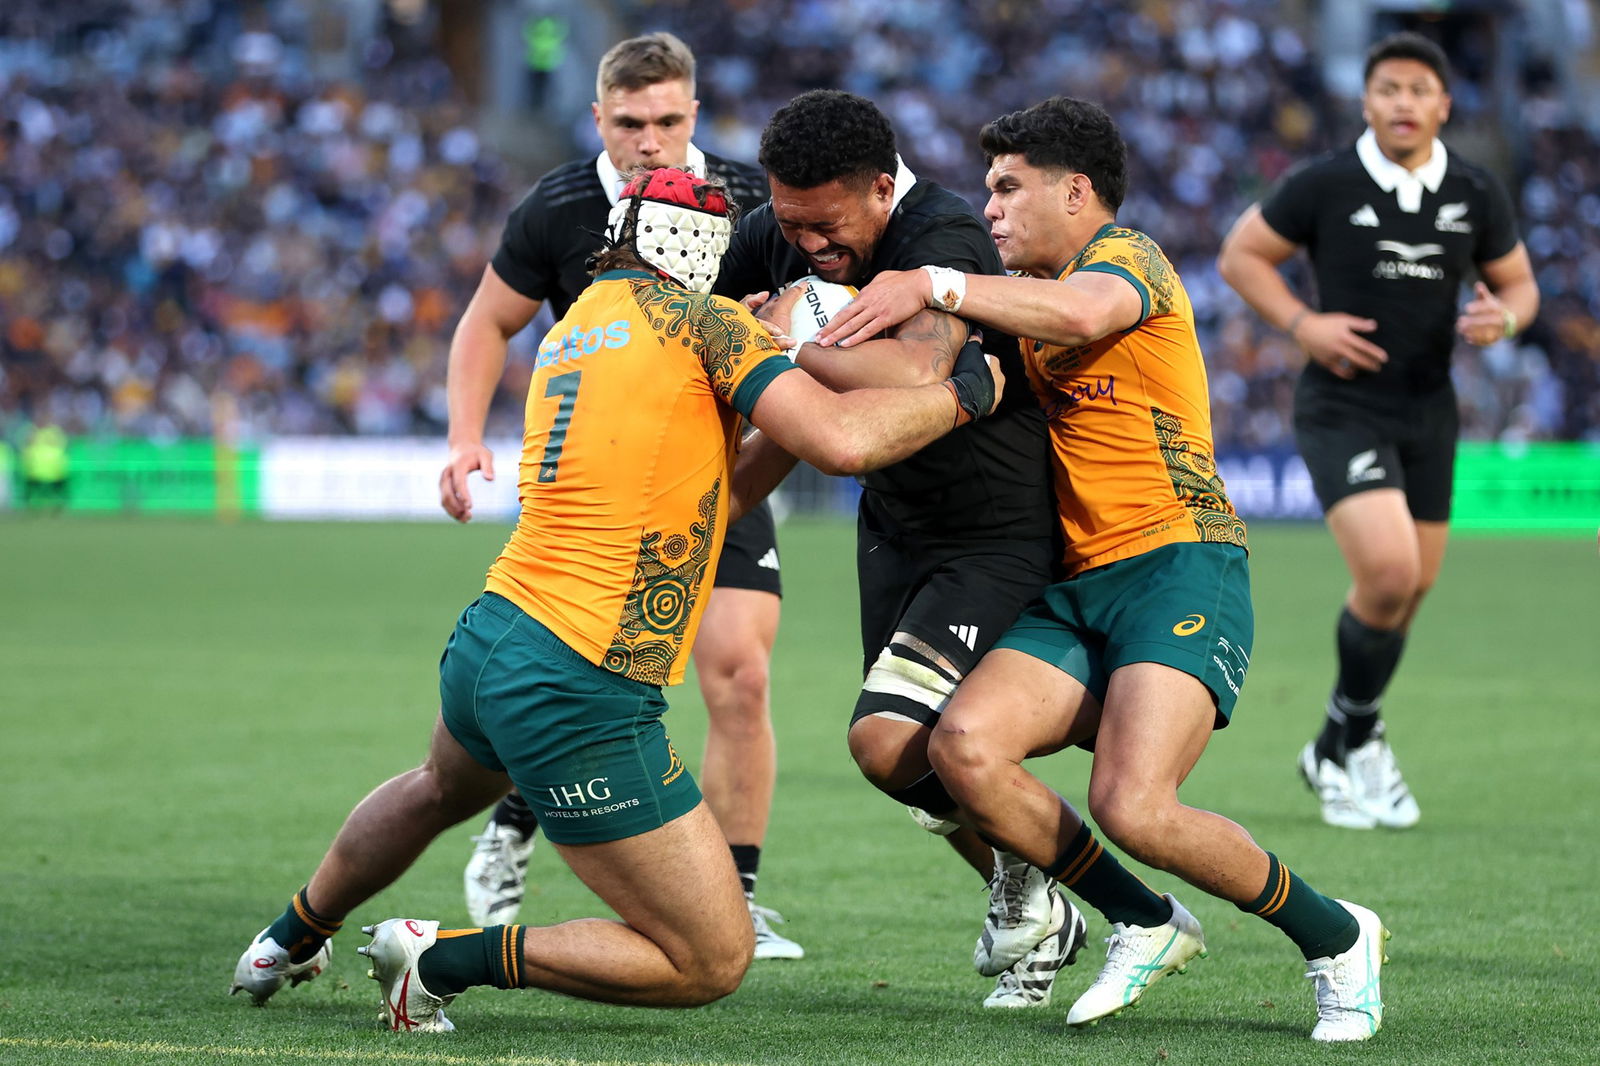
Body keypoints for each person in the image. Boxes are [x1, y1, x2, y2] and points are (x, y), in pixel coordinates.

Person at [229, 166, 1004, 1031]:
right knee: (711, 958)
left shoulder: (581, 322)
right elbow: (847, 444)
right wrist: (963, 394)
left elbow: (723, 496)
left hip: (495, 633)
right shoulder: (702, 322)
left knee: (435, 788)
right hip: (582, 675)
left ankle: (288, 934)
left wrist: (783, 397)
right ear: (704, 251)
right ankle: (437, 960)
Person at [822, 95, 1390, 1042]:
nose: (990, 208)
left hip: (1180, 562)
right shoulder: (1023, 312)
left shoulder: (1127, 259)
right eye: (988, 191)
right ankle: (1144, 918)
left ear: (1076, 191)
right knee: (961, 748)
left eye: (1009, 187)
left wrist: (934, 281)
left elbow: (1085, 310)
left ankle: (1337, 938)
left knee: (1134, 804)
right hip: (1078, 584)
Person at [438, 32, 802, 959]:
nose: (652, 140)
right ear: (599, 119)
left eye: (671, 120)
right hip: (602, 497)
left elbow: (796, 306)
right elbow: (489, 319)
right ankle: (513, 821)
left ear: (695, 114)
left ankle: (737, 893)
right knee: (601, 677)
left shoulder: (742, 201)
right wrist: (464, 435)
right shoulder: (560, 205)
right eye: (632, 123)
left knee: (741, 674)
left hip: (713, 474)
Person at [717, 89, 1080, 1009]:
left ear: (882, 189)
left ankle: (1078, 897)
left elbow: (917, 368)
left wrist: (785, 336)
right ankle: (1029, 893)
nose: (804, 244)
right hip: (892, 525)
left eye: (825, 225)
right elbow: (720, 352)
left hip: (994, 528)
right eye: (789, 222)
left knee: (888, 740)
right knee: (906, 758)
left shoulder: (942, 232)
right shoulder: (774, 230)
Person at [1216, 32, 1538, 830]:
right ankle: (1353, 739)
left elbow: (1520, 284)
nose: (1403, 103)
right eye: (1388, 88)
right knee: (1390, 574)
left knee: (1411, 590)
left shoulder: (1474, 190)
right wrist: (1302, 323)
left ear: (1444, 106)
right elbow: (1241, 255)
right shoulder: (1325, 182)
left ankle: (1340, 738)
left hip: (1429, 412)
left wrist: (1507, 316)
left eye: (1418, 90)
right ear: (1366, 102)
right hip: (1341, 406)